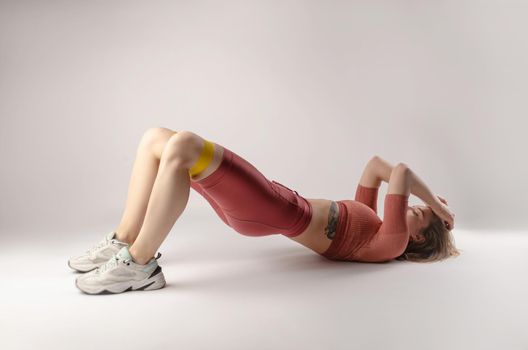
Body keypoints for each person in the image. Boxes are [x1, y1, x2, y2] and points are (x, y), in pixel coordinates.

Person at [69, 127, 459, 294]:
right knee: (157, 139)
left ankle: (139, 266)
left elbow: (402, 173)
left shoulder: (391, 244)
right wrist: (432, 205)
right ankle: (126, 239)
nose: (410, 204)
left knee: (185, 145)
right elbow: (376, 164)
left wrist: (437, 205)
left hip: (275, 210)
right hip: (273, 202)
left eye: (418, 212)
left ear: (420, 236)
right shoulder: (374, 224)